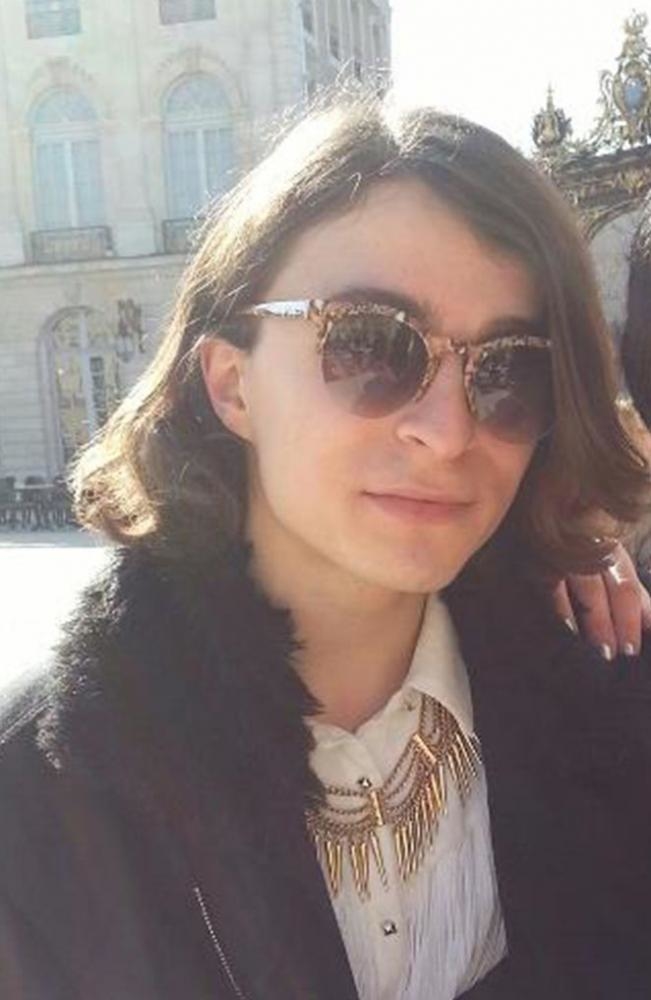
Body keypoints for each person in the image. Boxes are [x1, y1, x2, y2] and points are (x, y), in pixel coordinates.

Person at [2, 92, 651, 1000]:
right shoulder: (44, 791)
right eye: (372, 346)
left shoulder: (608, 697)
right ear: (232, 385)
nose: (447, 431)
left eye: (509, 369)